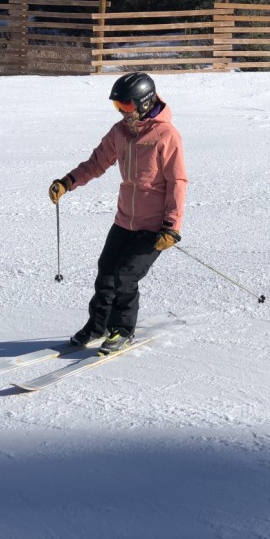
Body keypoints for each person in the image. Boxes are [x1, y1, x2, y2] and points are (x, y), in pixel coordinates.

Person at [48, 72, 188, 354]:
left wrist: (171, 226)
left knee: (126, 276)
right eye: (118, 108)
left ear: (145, 103)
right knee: (106, 273)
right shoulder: (120, 133)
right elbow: (96, 163)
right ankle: (98, 326)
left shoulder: (166, 135)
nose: (123, 114)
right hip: (125, 220)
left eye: (126, 107)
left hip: (154, 227)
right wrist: (68, 182)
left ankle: (123, 330)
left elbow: (177, 181)